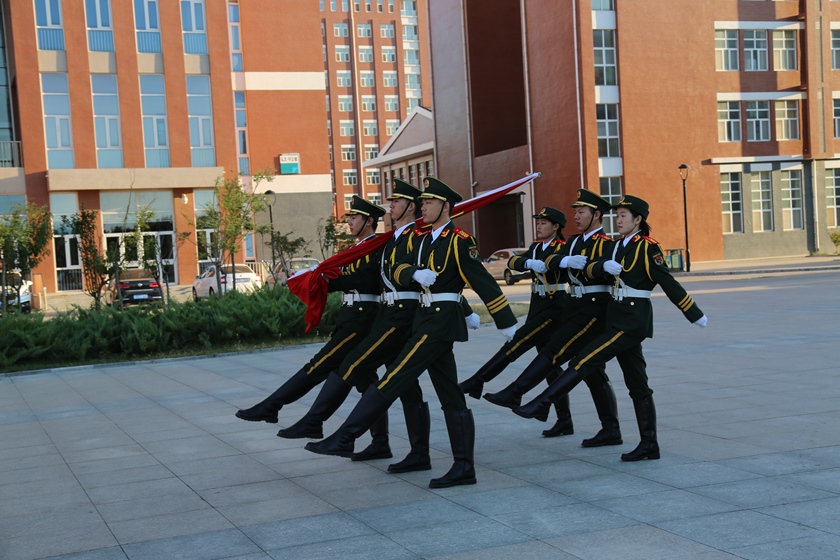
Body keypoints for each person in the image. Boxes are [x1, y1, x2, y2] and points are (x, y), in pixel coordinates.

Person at [305, 177, 518, 489]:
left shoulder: (459, 240)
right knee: (449, 392)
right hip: (424, 318)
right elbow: (396, 268)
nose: (423, 207)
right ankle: (459, 465)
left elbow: (483, 282)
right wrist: (413, 273)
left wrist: (506, 322)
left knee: (395, 376)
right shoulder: (422, 239)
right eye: (422, 202)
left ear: (446, 206)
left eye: (429, 202)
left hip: (440, 323)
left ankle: (346, 436)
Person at [513, 195, 708, 461]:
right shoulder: (615, 247)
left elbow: (668, 282)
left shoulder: (647, 248)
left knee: (585, 359)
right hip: (615, 317)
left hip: (632, 321)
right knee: (637, 383)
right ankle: (648, 443)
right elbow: (591, 268)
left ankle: (541, 403)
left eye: (624, 216)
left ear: (638, 220)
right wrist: (602, 265)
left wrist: (692, 312)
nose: (618, 220)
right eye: (617, 215)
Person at [275, 179, 435, 474]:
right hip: (389, 313)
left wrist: (461, 309)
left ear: (411, 206)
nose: (391, 205)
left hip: (403, 315)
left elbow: (433, 273)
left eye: (397, 201)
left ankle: (325, 426)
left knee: (354, 365)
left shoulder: (417, 236)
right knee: (406, 385)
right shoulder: (393, 239)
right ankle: (406, 450)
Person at [481, 189, 623, 448]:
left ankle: (518, 392)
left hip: (595, 310)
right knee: (592, 372)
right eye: (575, 211)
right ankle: (609, 428)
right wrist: (563, 260)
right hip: (574, 307)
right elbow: (551, 260)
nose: (576, 216)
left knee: (556, 351)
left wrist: (589, 265)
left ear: (596, 215)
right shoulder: (574, 242)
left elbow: (598, 272)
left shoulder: (607, 244)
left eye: (581, 211)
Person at [234, 196, 385, 424]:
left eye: (354, 217)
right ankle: (379, 440)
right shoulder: (355, 248)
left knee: (320, 364)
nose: (349, 222)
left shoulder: (376, 248)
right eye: (350, 218)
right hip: (351, 315)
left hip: (363, 317)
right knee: (365, 379)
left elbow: (366, 279)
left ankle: (272, 406)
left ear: (369, 221)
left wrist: (325, 280)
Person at [458, 206, 576, 438]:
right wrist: (528, 263)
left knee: (518, 342)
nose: (539, 226)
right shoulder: (536, 247)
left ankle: (479, 380)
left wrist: (543, 262)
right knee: (550, 366)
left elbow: (557, 262)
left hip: (555, 306)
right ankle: (564, 420)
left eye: (544, 223)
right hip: (537, 305)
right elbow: (513, 262)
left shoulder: (561, 247)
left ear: (556, 226)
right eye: (538, 222)